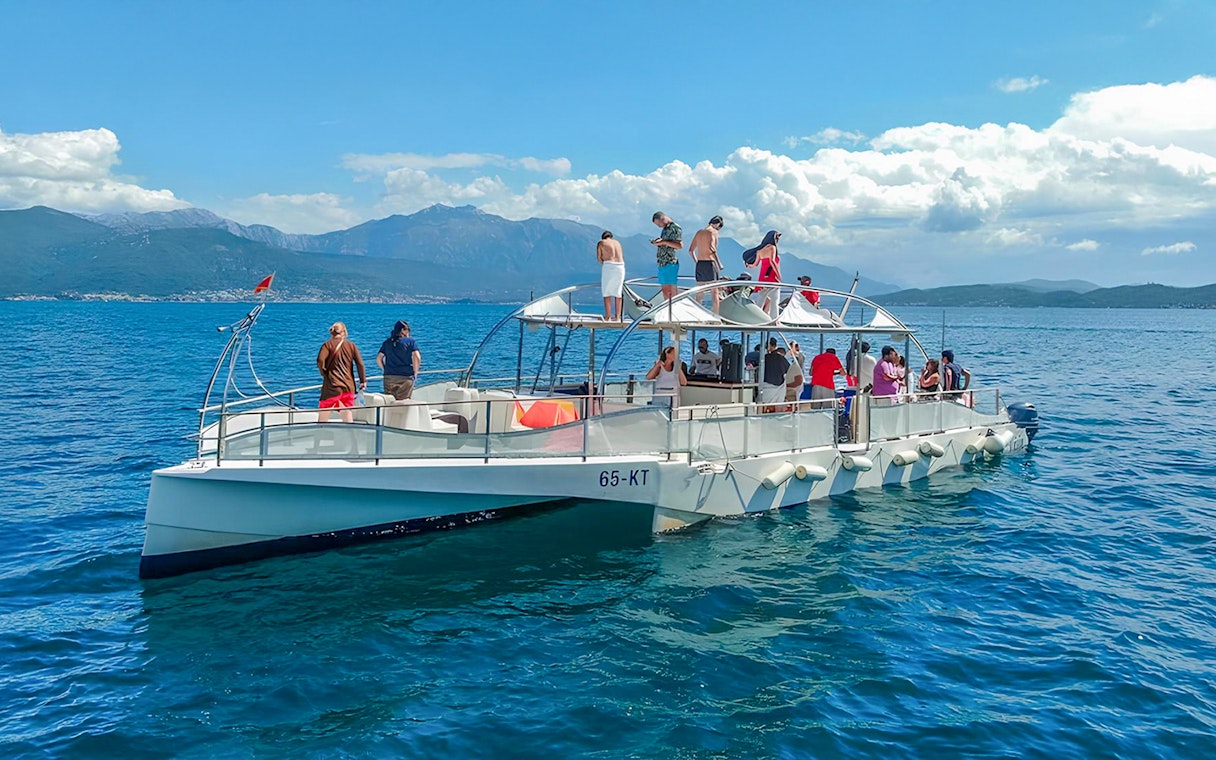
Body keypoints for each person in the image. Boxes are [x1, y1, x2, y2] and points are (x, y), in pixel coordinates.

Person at [317, 321, 367, 422]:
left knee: (323, 416)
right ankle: (350, 436)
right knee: (347, 414)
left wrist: (324, 373)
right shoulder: (351, 346)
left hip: (332, 386)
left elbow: (320, 360)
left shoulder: (327, 345)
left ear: (332, 333)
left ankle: (320, 435)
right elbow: (360, 364)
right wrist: (363, 381)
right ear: (344, 332)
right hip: (348, 386)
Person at [688, 215, 725, 312]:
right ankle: (716, 316)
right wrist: (719, 263)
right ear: (717, 225)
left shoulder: (699, 232)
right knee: (714, 292)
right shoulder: (713, 232)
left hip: (700, 264)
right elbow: (712, 248)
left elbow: (691, 250)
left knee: (700, 293)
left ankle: (697, 315)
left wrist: (697, 262)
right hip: (710, 263)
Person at [376, 320, 421, 400]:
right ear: (403, 330)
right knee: (403, 402)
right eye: (408, 330)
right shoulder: (410, 341)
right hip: (405, 376)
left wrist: (385, 369)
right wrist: (415, 372)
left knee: (390, 401)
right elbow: (417, 357)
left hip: (389, 376)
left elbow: (379, 359)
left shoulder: (387, 342)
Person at [650, 211, 683, 302]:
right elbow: (667, 241)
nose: (659, 226)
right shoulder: (665, 229)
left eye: (659, 224)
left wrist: (663, 242)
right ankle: (667, 308)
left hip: (670, 262)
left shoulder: (675, 228)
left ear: (663, 219)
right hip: (662, 262)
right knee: (665, 289)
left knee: (671, 290)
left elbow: (679, 245)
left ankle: (675, 309)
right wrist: (660, 241)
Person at [748, 230, 782, 315]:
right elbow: (772, 261)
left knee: (760, 300)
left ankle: (756, 318)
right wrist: (779, 276)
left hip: (762, 279)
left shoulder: (760, 250)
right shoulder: (772, 248)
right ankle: (774, 321)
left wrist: (749, 265)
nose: (778, 240)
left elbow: (755, 264)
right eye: (777, 237)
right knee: (775, 300)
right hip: (772, 278)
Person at [597, 230, 625, 321]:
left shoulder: (601, 243)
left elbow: (599, 258)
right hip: (620, 266)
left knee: (606, 291)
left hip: (609, 265)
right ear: (611, 237)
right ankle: (617, 316)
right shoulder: (618, 243)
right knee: (618, 292)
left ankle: (608, 316)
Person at [759, 340, 790, 413]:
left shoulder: (764, 358)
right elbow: (788, 370)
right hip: (778, 385)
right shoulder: (781, 359)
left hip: (765, 385)